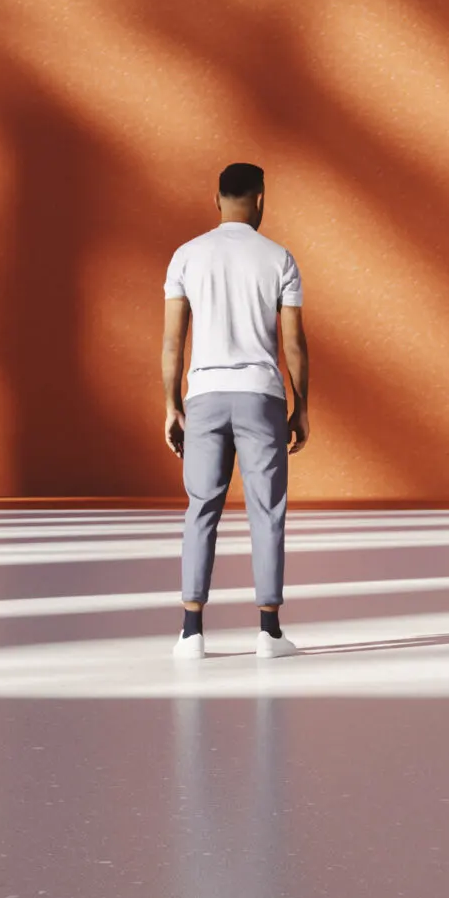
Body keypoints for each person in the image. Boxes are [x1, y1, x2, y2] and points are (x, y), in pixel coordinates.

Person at [162, 161, 309, 659]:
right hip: (261, 395)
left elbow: (172, 343)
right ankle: (268, 632)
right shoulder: (279, 258)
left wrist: (171, 405)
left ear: (216, 197)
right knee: (267, 512)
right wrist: (302, 404)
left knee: (201, 508)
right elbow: (293, 343)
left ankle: (191, 632)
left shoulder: (186, 255)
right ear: (261, 199)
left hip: (203, 395)